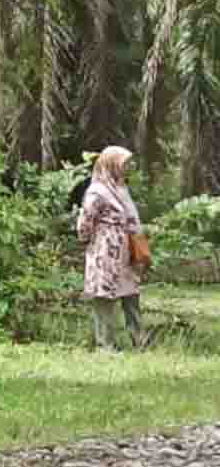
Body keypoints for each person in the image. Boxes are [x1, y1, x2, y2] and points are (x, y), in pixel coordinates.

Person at [75, 145, 146, 351]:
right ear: (110, 164)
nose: (127, 167)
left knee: (131, 294)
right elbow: (85, 222)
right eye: (124, 163)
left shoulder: (121, 188)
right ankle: (105, 345)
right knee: (104, 296)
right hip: (105, 250)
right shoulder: (97, 190)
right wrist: (88, 239)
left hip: (125, 249)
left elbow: (132, 217)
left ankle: (138, 341)